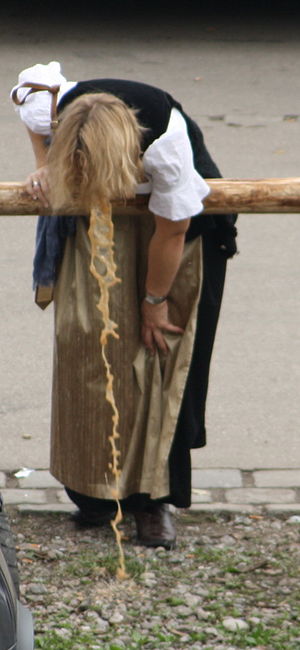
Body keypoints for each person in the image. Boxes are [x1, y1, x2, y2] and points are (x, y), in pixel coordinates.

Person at [11, 61, 237, 550]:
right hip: (96, 220)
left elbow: (172, 230)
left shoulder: (165, 144)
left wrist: (154, 302)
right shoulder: (53, 105)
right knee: (89, 347)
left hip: (176, 237)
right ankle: (92, 493)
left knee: (156, 353)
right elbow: (27, 94)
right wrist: (44, 165)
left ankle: (151, 501)